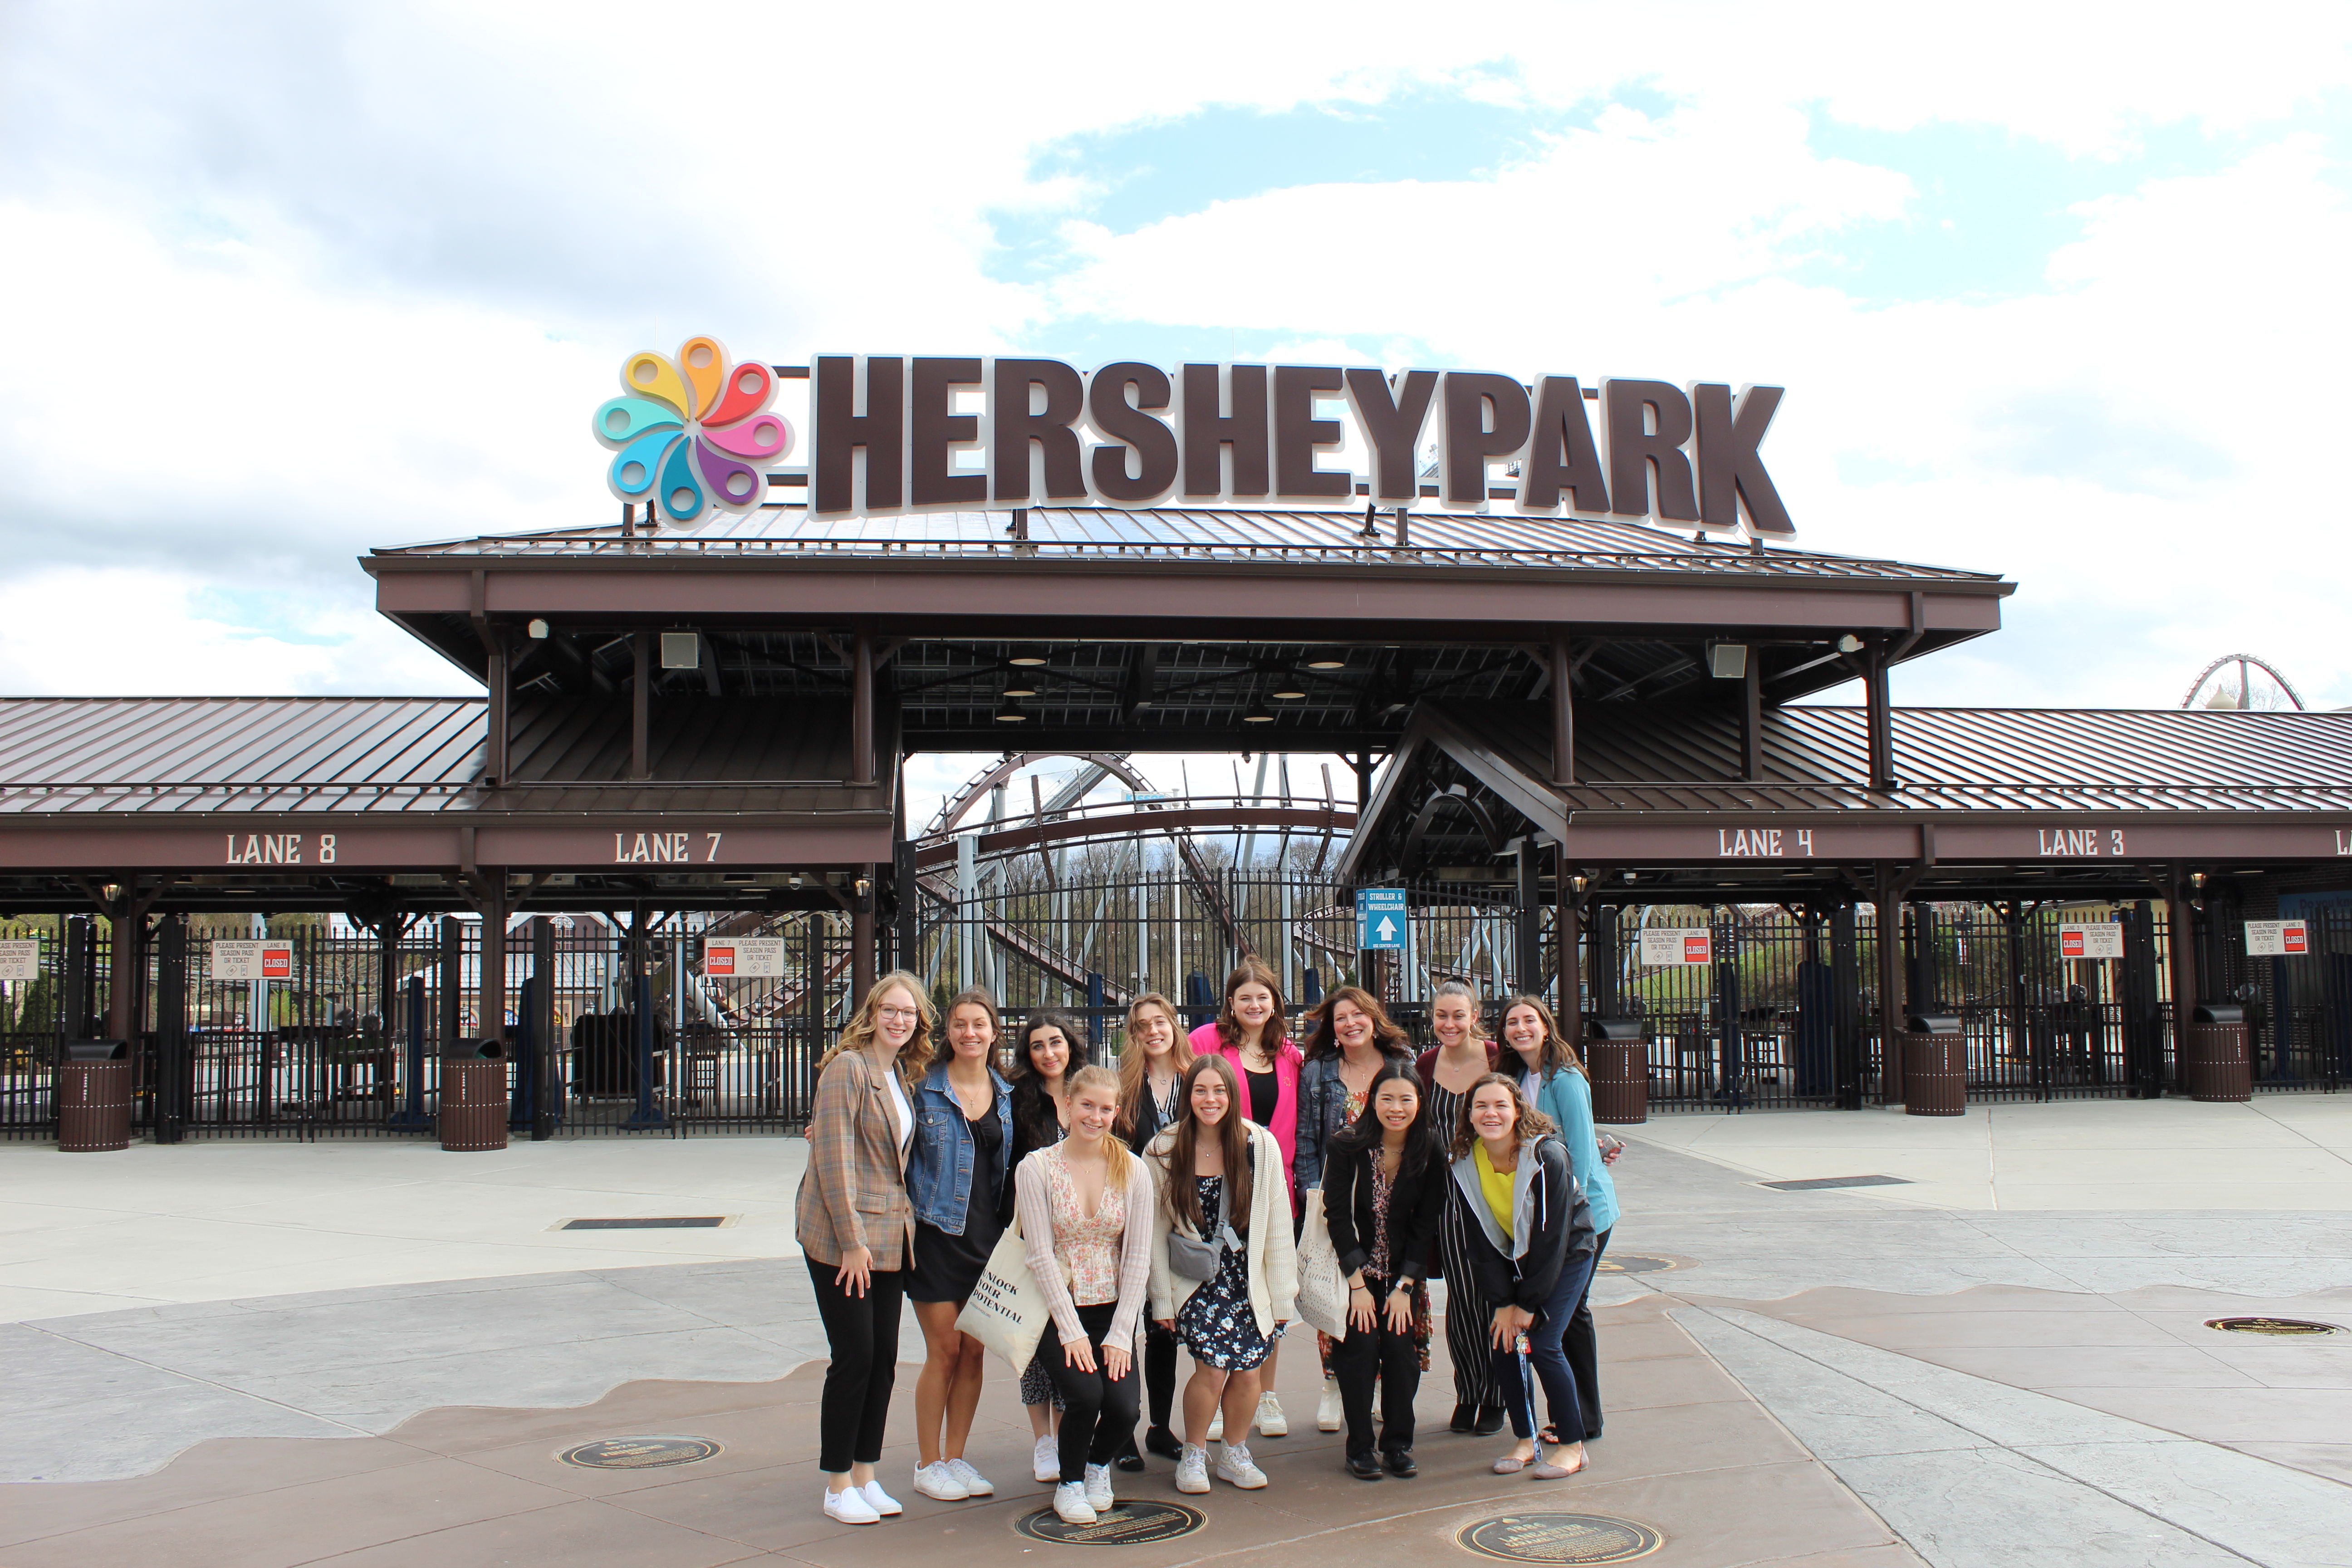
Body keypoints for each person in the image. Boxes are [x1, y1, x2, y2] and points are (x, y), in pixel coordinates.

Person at [794, 971, 931, 1526]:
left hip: (891, 1237)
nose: (899, 1020)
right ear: (871, 1012)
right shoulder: (847, 1069)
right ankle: (836, 1484)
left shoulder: (898, 1074)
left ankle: (866, 1473)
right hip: (842, 1238)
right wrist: (851, 1243)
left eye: (909, 1013)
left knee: (884, 1361)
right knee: (853, 1358)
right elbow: (833, 1159)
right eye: (890, 1010)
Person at [1147, 1054, 1298, 1494]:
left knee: (1249, 1372)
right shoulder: (1163, 1149)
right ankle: (1194, 1453)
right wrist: (1161, 1297)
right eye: (1200, 1090)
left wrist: (1283, 1293)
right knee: (1212, 1370)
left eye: (1219, 1091)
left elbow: (1277, 1226)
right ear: (1188, 1095)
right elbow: (1153, 1231)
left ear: (1232, 1095)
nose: (1210, 1100)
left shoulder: (1259, 1145)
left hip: (1247, 1277)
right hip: (1196, 1278)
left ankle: (1235, 1450)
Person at [1014, 1063, 1155, 1526]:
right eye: (1087, 1105)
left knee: (1124, 1407)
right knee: (1084, 1395)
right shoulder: (1037, 1169)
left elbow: (1137, 1256)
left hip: (1112, 1309)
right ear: (1067, 1106)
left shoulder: (1132, 1170)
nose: (1095, 1116)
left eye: (1106, 1108)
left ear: (1117, 1113)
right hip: (1058, 1311)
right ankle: (1069, 1482)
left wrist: (1122, 1333)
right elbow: (1039, 1255)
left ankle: (1097, 1467)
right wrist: (1069, 1330)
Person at [1448, 1073, 1597, 1481]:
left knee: (1544, 1343)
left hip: (1567, 1253)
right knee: (1504, 1341)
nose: (1491, 1114)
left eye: (1500, 1105)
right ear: (1470, 1114)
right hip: (1514, 1255)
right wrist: (1503, 1302)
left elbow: (1551, 1239)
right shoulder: (1464, 1160)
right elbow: (1479, 1240)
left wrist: (1527, 1304)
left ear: (1518, 1110)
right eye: (1481, 1106)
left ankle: (1572, 1445)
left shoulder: (1547, 1156)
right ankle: (1526, 1438)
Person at [904, 988, 1013, 1503]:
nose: (970, 1033)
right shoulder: (922, 1089)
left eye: (980, 1024)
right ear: (947, 1032)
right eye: (960, 1024)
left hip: (986, 1241)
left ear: (994, 1033)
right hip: (935, 1235)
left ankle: (956, 1457)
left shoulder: (1008, 1094)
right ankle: (927, 1462)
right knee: (943, 1351)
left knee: (973, 1354)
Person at [1499, 995, 1622, 1445]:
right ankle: (1578, 1414)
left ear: (1546, 1027)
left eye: (1529, 1021)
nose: (1521, 1029)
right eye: (1513, 1022)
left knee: (1570, 1314)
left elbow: (1585, 1156)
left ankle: (1584, 1418)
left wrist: (1570, 1218)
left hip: (1582, 1212)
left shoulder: (1566, 1080)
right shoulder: (1514, 1077)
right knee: (1571, 1315)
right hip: (1545, 1212)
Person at [1294, 985, 1415, 1433]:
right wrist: (1312, 1194)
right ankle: (1334, 1384)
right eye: (1341, 1018)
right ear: (1332, 1026)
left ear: (1373, 1018)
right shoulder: (1318, 1072)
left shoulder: (1399, 1064)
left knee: (1392, 1296)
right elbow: (1306, 1137)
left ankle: (1383, 1384)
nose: (1350, 1024)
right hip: (1339, 1203)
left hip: (1392, 1201)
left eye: (1358, 1015)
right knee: (1337, 1294)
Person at [1189, 957, 1301, 1438]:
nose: (1255, 1005)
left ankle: (1266, 1394)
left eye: (1263, 997)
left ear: (1275, 1002)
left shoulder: (1290, 1055)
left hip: (1276, 1189)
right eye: (1245, 997)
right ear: (1230, 1004)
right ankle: (1214, 1398)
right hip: (1222, 1187)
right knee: (1214, 1295)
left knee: (1269, 1295)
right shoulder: (1208, 1042)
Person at [1320, 1061, 1444, 1479]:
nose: (1396, 1108)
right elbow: (1336, 1215)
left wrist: (1406, 1286)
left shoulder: (1429, 1146)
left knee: (1401, 1355)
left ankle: (1397, 1443)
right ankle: (1359, 1448)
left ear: (1419, 1102)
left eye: (1405, 1099)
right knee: (1358, 1352)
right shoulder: (1348, 1145)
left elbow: (1427, 1221)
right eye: (1387, 1098)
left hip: (1402, 1277)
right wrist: (1357, 1283)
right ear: (1372, 1101)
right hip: (1355, 1272)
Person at [1416, 978, 1505, 1436]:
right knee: (1462, 1297)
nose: (1449, 1024)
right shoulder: (1426, 1064)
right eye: (1441, 1016)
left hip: (1493, 1190)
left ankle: (1497, 1393)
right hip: (1448, 1195)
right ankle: (1468, 1388)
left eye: (1458, 1015)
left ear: (1475, 1015)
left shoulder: (1495, 1058)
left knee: (1496, 1293)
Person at [1115, 993, 1194, 1467]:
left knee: (1165, 1327)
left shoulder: (1194, 1080)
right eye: (1143, 1025)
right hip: (1133, 1219)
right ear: (1135, 1035)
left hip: (1182, 1219)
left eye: (1160, 1022)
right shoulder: (1126, 1088)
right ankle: (1122, 1429)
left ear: (1173, 1025)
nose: (1153, 1031)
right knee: (1124, 1325)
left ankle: (1160, 1428)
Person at [1004, 1009, 1081, 1483]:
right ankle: (1043, 1441)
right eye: (1038, 1045)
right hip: (1034, 1236)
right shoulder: (1017, 1101)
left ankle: (1068, 1431)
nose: (1049, 1053)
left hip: (1084, 1240)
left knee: (1075, 1339)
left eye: (1056, 1042)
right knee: (1035, 1342)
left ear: (1070, 1044)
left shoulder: (1090, 1089)